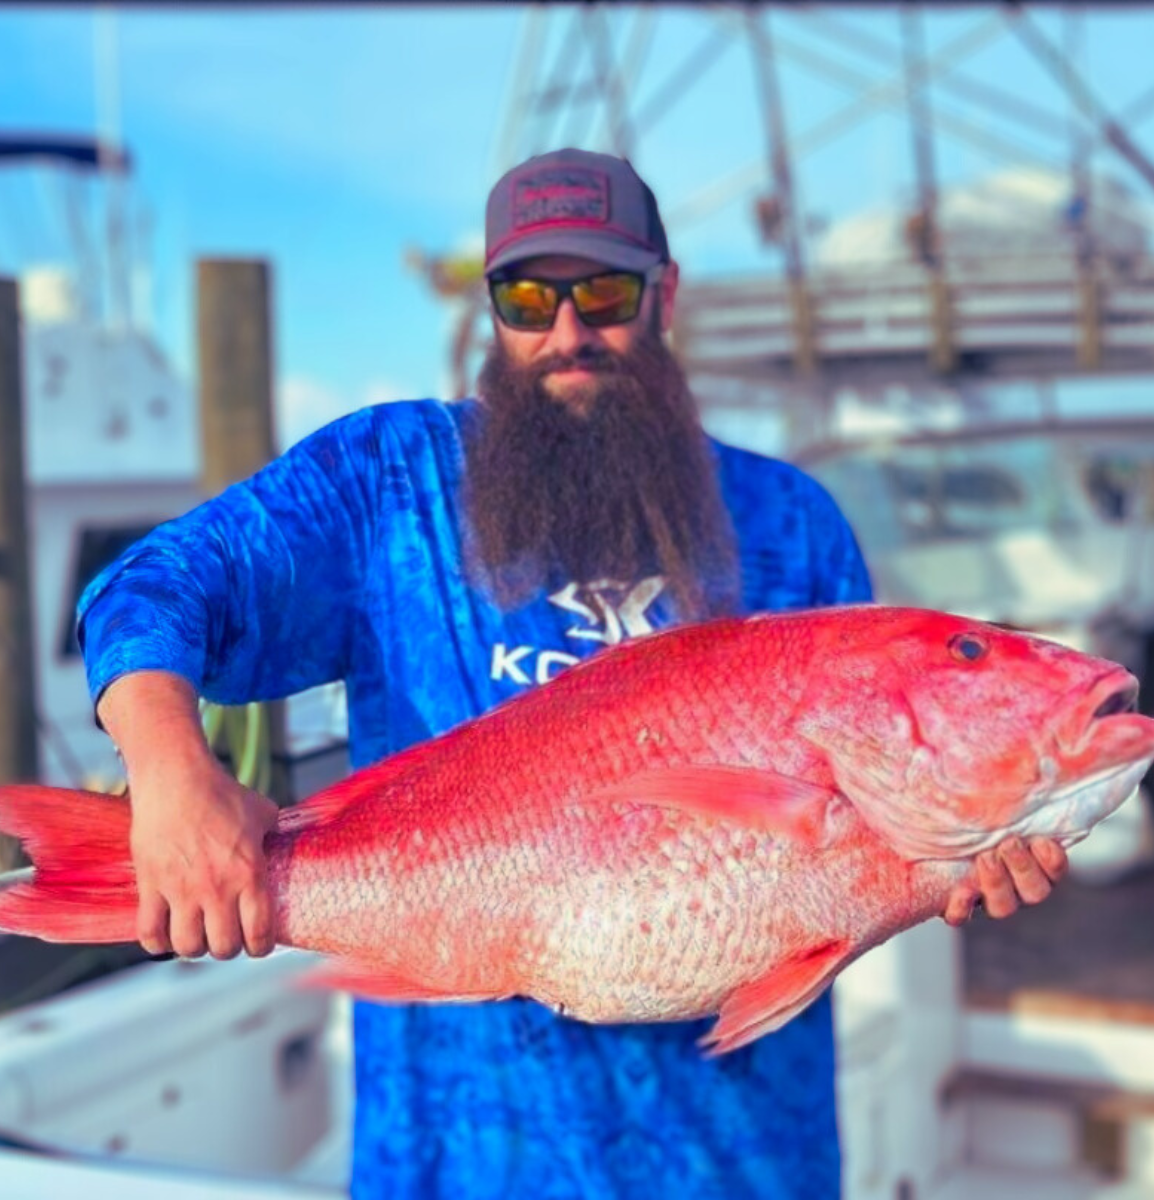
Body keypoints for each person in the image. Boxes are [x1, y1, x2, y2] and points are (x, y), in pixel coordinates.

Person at [76, 148, 1067, 1200]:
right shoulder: (388, 486)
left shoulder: (792, 524)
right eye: (526, 297)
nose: (567, 332)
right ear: (491, 311)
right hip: (455, 1165)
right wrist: (174, 779)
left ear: (664, 294)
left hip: (746, 1167)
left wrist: (955, 863)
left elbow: (846, 856)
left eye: (604, 291)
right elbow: (153, 586)